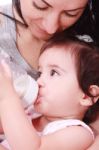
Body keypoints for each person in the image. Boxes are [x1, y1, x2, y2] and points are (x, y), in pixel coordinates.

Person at [0, 0, 99, 149]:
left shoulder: (77, 132)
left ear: (86, 96)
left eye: (53, 72)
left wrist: (8, 98)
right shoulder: (32, 112)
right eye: (40, 73)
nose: (39, 81)